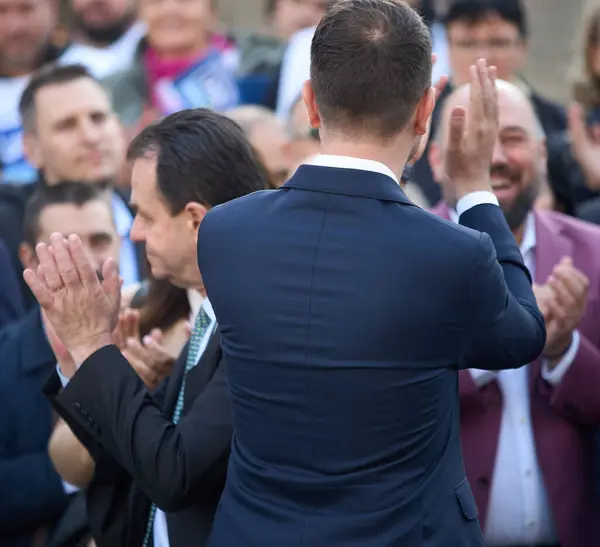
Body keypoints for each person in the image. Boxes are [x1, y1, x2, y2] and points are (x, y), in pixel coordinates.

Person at [195, 1, 545, 545]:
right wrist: (475, 189)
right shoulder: (452, 254)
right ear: (424, 112)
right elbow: (522, 334)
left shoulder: (222, 232)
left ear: (309, 102)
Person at [34, 109, 268, 547]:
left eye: (144, 214)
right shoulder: (209, 313)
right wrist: (134, 389)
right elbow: (121, 465)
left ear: (196, 220)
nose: (135, 233)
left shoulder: (257, 321)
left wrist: (92, 347)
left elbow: (174, 475)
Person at [429, 79, 600, 547]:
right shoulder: (407, 257)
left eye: (513, 138)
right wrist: (498, 346)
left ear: (543, 152)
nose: (495, 157)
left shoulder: (593, 253)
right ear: (435, 158)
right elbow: (383, 403)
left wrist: (563, 350)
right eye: (476, 140)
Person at [0, 181, 121, 547]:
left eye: (100, 241)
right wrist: (78, 469)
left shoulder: (162, 342)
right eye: (65, 247)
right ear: (27, 259)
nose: (86, 263)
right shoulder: (4, 360)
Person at [0, 63, 146, 310]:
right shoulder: (6, 232)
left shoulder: (157, 209)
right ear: (31, 149)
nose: (90, 137)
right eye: (67, 125)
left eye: (98, 118)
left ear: (119, 127)